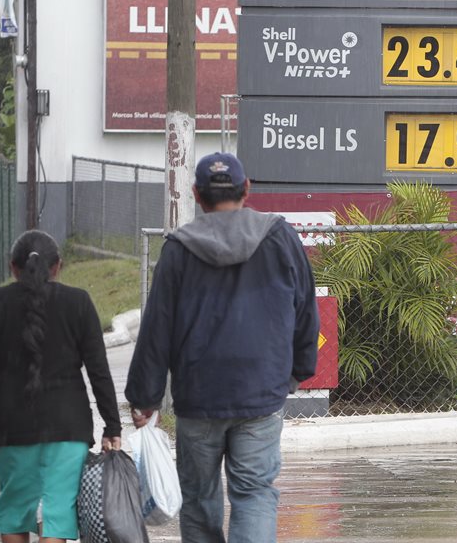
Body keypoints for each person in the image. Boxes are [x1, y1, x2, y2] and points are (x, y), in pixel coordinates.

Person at [125, 152, 319, 543]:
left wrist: (145, 397)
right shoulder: (279, 237)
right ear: (246, 188)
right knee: (255, 494)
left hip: (198, 398)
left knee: (198, 499)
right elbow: (305, 310)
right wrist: (298, 371)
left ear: (197, 194)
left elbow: (157, 328)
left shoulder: (179, 249)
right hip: (260, 393)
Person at [0, 230, 122, 543]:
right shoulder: (78, 302)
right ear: (58, 266)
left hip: (10, 427)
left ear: (12, 267)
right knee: (57, 512)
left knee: (14, 510)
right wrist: (112, 426)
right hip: (68, 428)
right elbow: (99, 371)